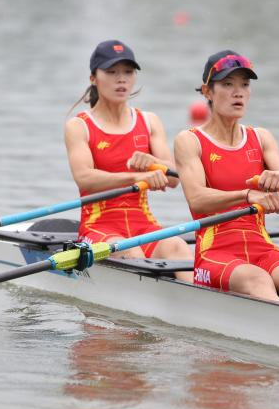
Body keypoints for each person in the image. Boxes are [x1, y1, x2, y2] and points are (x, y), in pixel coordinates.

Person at [173, 50, 279, 316]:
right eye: (227, 84)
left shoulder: (261, 138)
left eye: (244, 85)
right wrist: (248, 195)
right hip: (215, 251)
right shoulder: (189, 141)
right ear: (207, 92)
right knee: (258, 279)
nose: (238, 92)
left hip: (260, 244)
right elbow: (197, 200)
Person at [64, 40, 193, 281]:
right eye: (111, 72)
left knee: (177, 246)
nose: (121, 79)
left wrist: (156, 163)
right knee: (131, 251)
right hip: (98, 227)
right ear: (93, 78)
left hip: (143, 224)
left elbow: (175, 178)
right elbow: (84, 177)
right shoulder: (79, 126)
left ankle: (203, 309)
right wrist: (136, 176)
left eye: (127, 72)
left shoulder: (149, 121)